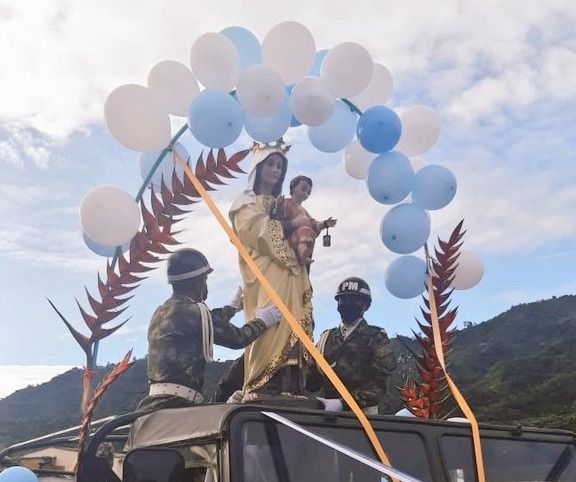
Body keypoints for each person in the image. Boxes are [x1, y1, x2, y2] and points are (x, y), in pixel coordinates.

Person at [136, 248, 281, 411]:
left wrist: (231, 309)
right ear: (196, 281)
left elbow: (206, 323)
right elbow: (238, 338)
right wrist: (263, 321)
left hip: (158, 404)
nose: (205, 285)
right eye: (204, 279)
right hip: (177, 405)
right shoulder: (192, 312)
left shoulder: (163, 311)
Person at [228, 142, 315, 400]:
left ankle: (292, 385)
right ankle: (262, 382)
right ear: (258, 167)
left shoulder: (282, 204)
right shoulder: (245, 202)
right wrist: (292, 225)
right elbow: (258, 232)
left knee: (294, 322)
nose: (275, 170)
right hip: (265, 271)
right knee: (270, 322)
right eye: (270, 164)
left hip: (293, 273)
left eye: (280, 166)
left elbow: (303, 229)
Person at [306, 277, 397, 414]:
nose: (348, 303)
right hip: (326, 414)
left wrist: (342, 403)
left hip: (363, 416)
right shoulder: (326, 338)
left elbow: (379, 385)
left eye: (355, 300)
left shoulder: (376, 337)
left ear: (366, 305)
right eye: (344, 299)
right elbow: (312, 382)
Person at [276, 175, 337, 266]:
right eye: (303, 189)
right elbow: (280, 214)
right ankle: (302, 255)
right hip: (291, 239)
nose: (305, 194)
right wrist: (280, 204)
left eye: (308, 192)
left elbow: (313, 223)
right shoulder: (287, 203)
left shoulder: (304, 211)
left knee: (307, 230)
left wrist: (324, 224)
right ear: (293, 188)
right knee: (304, 230)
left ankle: (304, 254)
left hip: (304, 237)